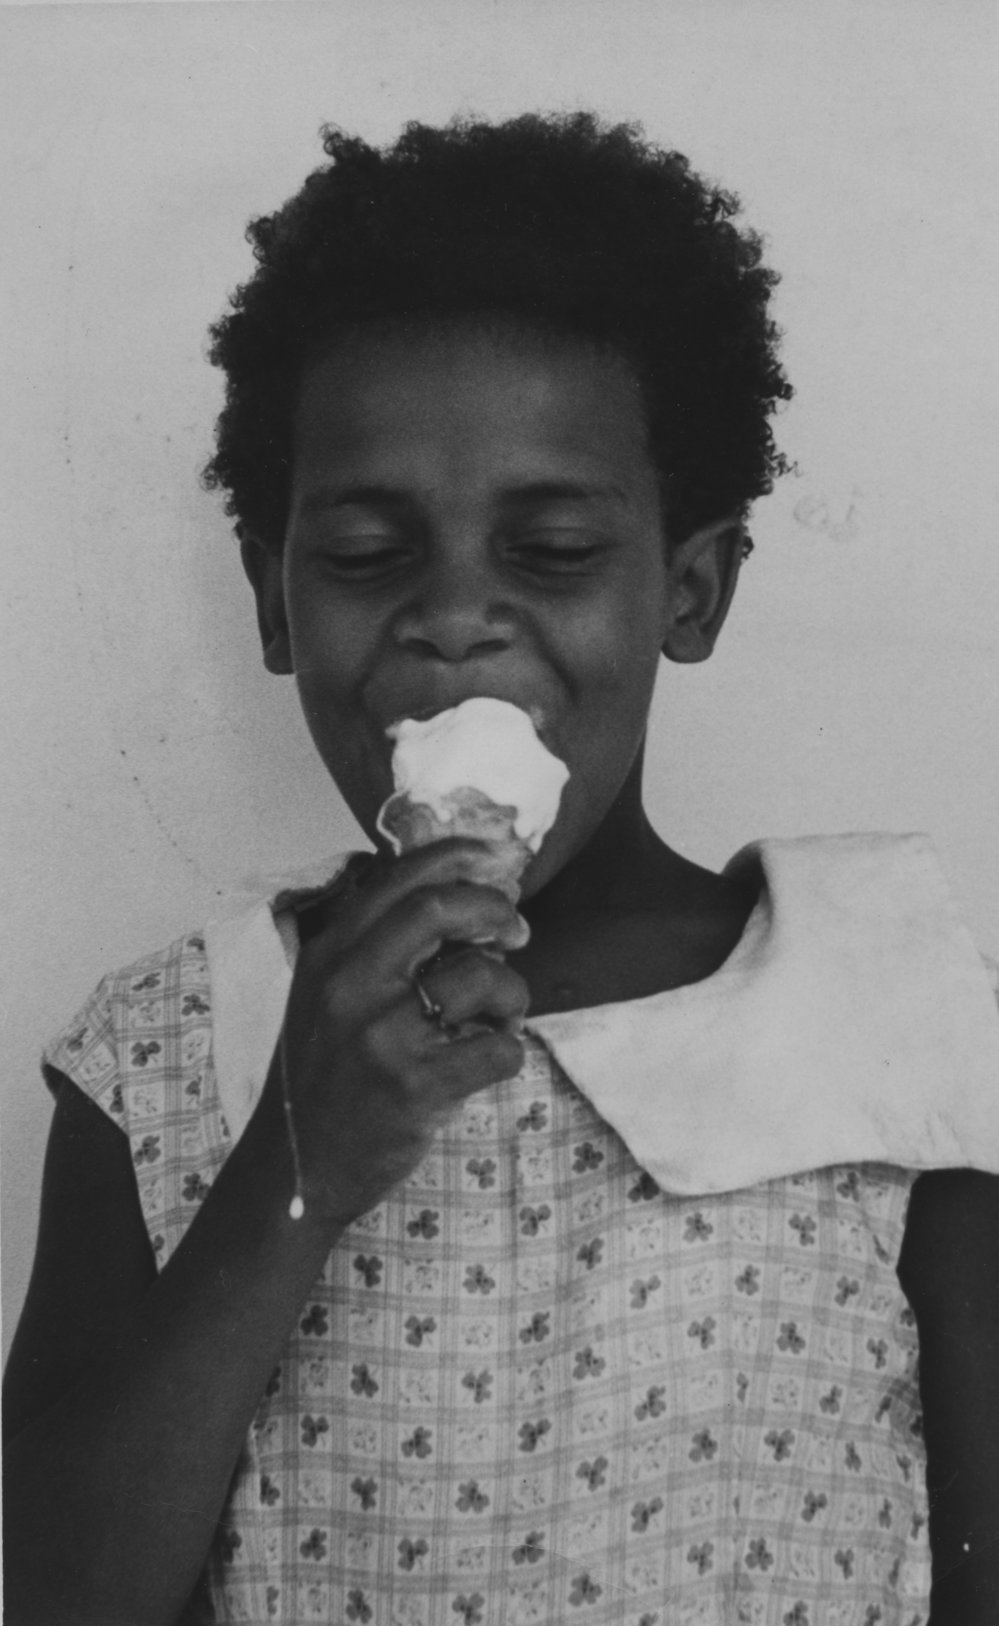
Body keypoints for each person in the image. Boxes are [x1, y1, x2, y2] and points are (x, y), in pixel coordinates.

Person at [4, 113, 998, 1626]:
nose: (456, 618)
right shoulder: (163, 1058)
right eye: (362, 553)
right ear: (273, 605)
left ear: (692, 587)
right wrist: (297, 1158)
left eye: (548, 551)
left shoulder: (903, 1016)